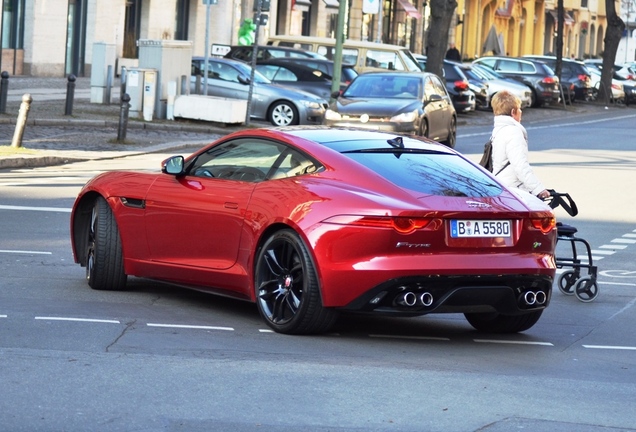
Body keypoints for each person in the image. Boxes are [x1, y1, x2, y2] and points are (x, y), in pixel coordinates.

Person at [490, 90, 550, 199]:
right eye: (520, 109)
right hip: (514, 189)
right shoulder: (513, 132)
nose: (521, 112)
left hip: (501, 185)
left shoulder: (498, 130)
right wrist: (538, 189)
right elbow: (520, 165)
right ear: (513, 112)